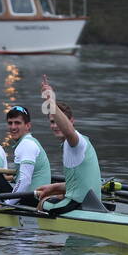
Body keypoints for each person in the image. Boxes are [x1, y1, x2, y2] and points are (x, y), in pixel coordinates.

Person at [34, 75, 103, 214]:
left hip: (80, 205)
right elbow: (79, 184)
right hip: (91, 203)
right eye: (52, 122)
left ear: (71, 121)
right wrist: (54, 187)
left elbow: (69, 131)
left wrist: (50, 102)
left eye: (58, 121)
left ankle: (36, 233)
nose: (55, 126)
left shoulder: (76, 142)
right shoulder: (69, 145)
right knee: (55, 195)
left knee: (43, 203)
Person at [3, 106, 50, 207]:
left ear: (28, 126)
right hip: (35, 196)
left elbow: (24, 181)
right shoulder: (30, 141)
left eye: (17, 123)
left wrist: (5, 204)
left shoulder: (27, 144)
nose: (13, 127)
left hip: (32, 201)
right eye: (10, 123)